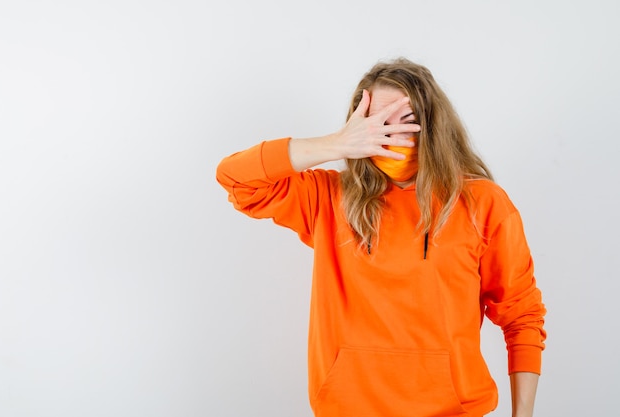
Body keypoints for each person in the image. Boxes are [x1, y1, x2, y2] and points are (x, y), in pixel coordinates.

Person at [216, 57, 546, 417]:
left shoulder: (482, 203)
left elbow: (522, 316)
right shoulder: (329, 198)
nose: (389, 135)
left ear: (432, 124)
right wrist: (335, 145)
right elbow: (235, 178)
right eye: (376, 123)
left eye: (405, 120)